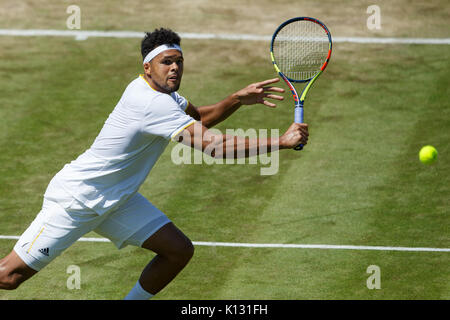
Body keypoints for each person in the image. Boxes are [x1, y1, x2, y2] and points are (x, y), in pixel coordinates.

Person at [0, 28, 309, 299]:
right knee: (8, 277)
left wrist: (236, 99)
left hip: (117, 198)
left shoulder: (161, 94)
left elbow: (198, 119)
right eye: (167, 62)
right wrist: (279, 142)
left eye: (179, 62)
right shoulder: (152, 103)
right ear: (147, 67)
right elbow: (215, 147)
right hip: (77, 199)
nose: (175, 68)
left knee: (177, 250)